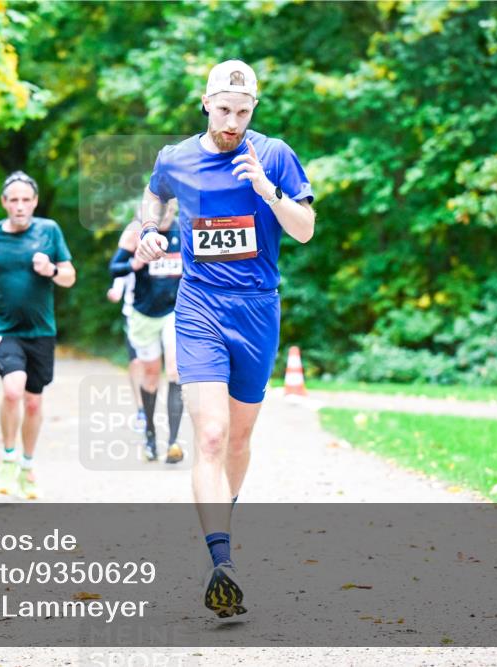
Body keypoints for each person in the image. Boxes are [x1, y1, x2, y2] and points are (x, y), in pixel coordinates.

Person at [135, 60, 316, 617]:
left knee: (238, 440)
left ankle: (221, 525)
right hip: (199, 307)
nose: (232, 121)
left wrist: (267, 191)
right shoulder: (177, 158)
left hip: (258, 309)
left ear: (253, 109)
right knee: (210, 436)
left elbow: (305, 231)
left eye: (243, 111)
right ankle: (222, 561)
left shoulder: (276, 154)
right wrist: (149, 231)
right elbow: (153, 195)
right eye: (224, 110)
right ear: (206, 104)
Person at [0, 171, 76, 499]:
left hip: (41, 329)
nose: (20, 206)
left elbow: (69, 276)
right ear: (4, 203)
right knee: (12, 390)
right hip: (3, 326)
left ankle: (28, 466)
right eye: (13, 200)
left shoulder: (49, 231)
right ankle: (8, 459)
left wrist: (52, 270)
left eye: (26, 200)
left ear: (35, 202)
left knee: (32, 401)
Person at [110, 201, 184, 463]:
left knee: (175, 370)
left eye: (172, 212)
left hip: (175, 312)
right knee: (151, 375)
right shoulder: (136, 232)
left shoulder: (184, 230)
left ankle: (173, 442)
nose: (167, 217)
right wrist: (135, 264)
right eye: (162, 211)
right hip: (144, 314)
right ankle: (150, 437)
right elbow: (114, 268)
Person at [106, 228, 147, 434]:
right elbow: (120, 275)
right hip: (133, 313)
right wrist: (115, 291)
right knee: (136, 362)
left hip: (164, 314)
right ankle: (141, 410)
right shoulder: (130, 249)